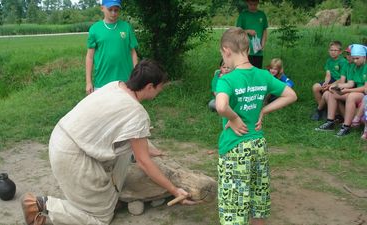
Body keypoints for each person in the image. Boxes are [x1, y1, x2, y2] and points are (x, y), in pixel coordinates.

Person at [21, 59, 196, 225]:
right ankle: (41, 205)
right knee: (100, 220)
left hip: (61, 138)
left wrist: (148, 149)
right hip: (72, 154)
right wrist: (174, 190)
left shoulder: (116, 85)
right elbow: (144, 162)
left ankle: (107, 198)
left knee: (126, 155)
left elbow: (121, 132)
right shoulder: (137, 113)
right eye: (160, 87)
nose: (161, 91)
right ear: (150, 86)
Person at [215, 27, 297, 225]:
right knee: (257, 197)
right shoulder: (263, 75)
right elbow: (291, 95)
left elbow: (221, 106)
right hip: (258, 145)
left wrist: (233, 118)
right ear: (248, 50)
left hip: (235, 147)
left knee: (234, 205)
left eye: (222, 55)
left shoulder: (227, 79)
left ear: (226, 50)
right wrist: (264, 109)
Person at [85, 0, 139, 94]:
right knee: (103, 108)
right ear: (102, 8)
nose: (113, 13)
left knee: (125, 107)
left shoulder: (126, 27)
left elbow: (133, 52)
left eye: (116, 10)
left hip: (125, 80)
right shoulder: (95, 29)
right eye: (110, 9)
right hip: (102, 81)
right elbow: (90, 57)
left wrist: (135, 74)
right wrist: (89, 82)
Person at [315, 44, 367, 137]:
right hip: (355, 91)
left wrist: (346, 90)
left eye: (357, 58)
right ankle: (330, 122)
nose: (354, 61)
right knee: (331, 92)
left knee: (351, 96)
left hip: (363, 93)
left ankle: (346, 127)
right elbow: (351, 83)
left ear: (364, 57)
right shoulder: (354, 66)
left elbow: (364, 88)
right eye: (354, 58)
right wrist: (336, 86)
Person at [311, 41, 348, 120]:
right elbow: (328, 74)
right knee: (315, 87)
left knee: (329, 90)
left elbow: (342, 79)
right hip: (331, 80)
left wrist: (330, 85)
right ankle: (323, 109)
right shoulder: (329, 61)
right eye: (331, 50)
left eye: (335, 50)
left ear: (340, 52)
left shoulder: (343, 62)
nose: (333, 52)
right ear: (329, 51)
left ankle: (333, 112)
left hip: (340, 82)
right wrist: (326, 83)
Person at [236, 0, 268, 69]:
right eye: (251, 4)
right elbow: (237, 31)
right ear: (247, 3)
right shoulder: (243, 15)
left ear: (258, 3)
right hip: (246, 50)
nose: (253, 6)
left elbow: (264, 30)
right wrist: (247, 31)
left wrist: (263, 44)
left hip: (258, 50)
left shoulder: (262, 14)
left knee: (257, 71)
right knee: (246, 71)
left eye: (255, 4)